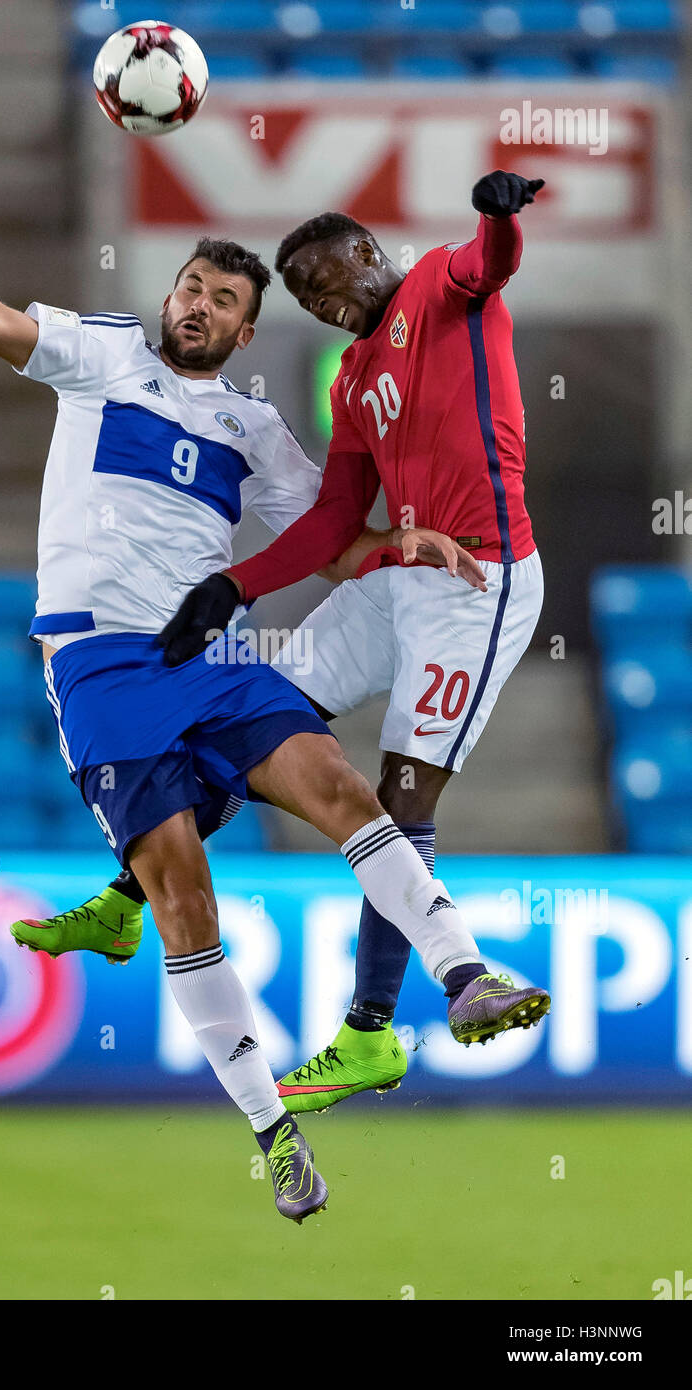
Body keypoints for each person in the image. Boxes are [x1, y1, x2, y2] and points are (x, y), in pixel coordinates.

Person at [0, 189, 497, 1220]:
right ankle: (272, 1129)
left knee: (343, 785)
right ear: (167, 297)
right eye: (190, 288)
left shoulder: (252, 427)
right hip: (100, 667)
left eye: (222, 299)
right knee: (183, 893)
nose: (199, 306)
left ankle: (462, 974)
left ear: (245, 331)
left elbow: (329, 540)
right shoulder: (100, 354)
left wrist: (404, 543)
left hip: (209, 662)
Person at [155, 170, 551, 1111]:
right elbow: (337, 516)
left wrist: (498, 217)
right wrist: (231, 587)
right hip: (394, 582)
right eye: (307, 300)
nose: (328, 305)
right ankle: (130, 892)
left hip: (475, 587)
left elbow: (492, 265)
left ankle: (371, 1032)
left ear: (371, 253)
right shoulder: (353, 377)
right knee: (255, 723)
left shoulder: (442, 288)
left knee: (402, 793)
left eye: (331, 282)